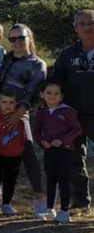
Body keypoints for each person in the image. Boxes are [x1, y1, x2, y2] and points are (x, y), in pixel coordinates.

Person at [0, 23, 47, 215]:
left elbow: (34, 91)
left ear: (29, 38)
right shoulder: (5, 58)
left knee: (28, 150)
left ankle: (39, 197)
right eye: (12, 39)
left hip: (20, 113)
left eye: (21, 38)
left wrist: (19, 112)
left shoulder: (36, 64)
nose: (16, 42)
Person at [49, 8, 94, 212]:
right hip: (73, 116)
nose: (88, 27)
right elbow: (56, 82)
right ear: (76, 28)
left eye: (91, 23)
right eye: (83, 24)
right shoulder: (67, 55)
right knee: (74, 160)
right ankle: (81, 203)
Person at [35, 79, 82, 223]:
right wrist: (41, 141)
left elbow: (77, 129)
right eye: (49, 93)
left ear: (61, 96)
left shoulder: (67, 111)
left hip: (65, 150)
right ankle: (50, 209)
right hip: (49, 150)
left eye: (56, 93)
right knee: (51, 179)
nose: (52, 96)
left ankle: (64, 211)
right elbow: (37, 131)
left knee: (63, 180)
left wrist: (62, 140)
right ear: (42, 94)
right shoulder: (42, 112)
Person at [0, 89, 30, 216]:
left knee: (10, 180)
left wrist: (21, 151)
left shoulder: (20, 120)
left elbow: (23, 137)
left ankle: (7, 204)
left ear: (16, 104)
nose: (8, 105)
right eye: (4, 102)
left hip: (14, 156)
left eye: (11, 102)